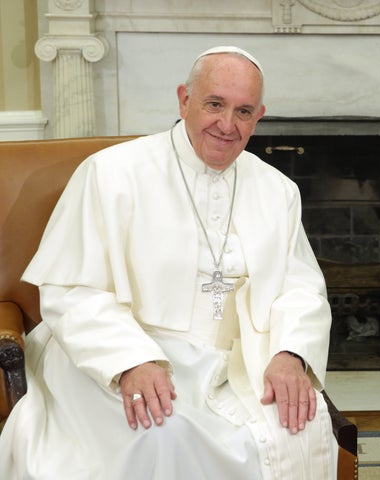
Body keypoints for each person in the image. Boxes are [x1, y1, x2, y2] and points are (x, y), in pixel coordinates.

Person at [0, 46, 338, 479]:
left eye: (244, 112)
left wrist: (290, 353)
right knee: (161, 431)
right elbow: (73, 292)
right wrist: (130, 362)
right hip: (117, 352)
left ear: (259, 117)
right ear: (184, 99)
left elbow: (300, 289)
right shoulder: (111, 173)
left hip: (234, 363)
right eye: (214, 104)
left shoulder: (278, 190)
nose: (227, 125)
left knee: (298, 428)